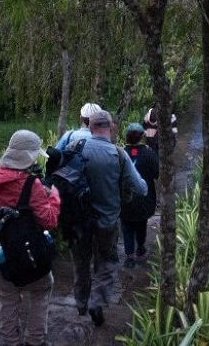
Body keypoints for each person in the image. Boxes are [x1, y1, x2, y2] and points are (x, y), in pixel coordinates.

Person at [0, 130, 61, 346]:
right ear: (30, 157)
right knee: (43, 288)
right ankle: (34, 340)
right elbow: (49, 220)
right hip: (27, 251)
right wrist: (53, 195)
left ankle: (10, 341)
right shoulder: (31, 185)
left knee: (7, 298)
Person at [73, 109, 147, 327]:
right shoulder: (119, 154)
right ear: (111, 127)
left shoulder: (75, 149)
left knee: (81, 262)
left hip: (78, 222)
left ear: (90, 126)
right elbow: (140, 188)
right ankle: (97, 301)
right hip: (107, 221)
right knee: (107, 262)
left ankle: (81, 302)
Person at [119, 123, 158, 268]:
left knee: (126, 225)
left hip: (125, 198)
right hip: (144, 197)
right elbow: (156, 173)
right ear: (142, 136)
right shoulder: (149, 153)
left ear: (126, 137)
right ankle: (140, 248)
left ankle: (129, 256)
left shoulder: (120, 153)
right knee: (141, 224)